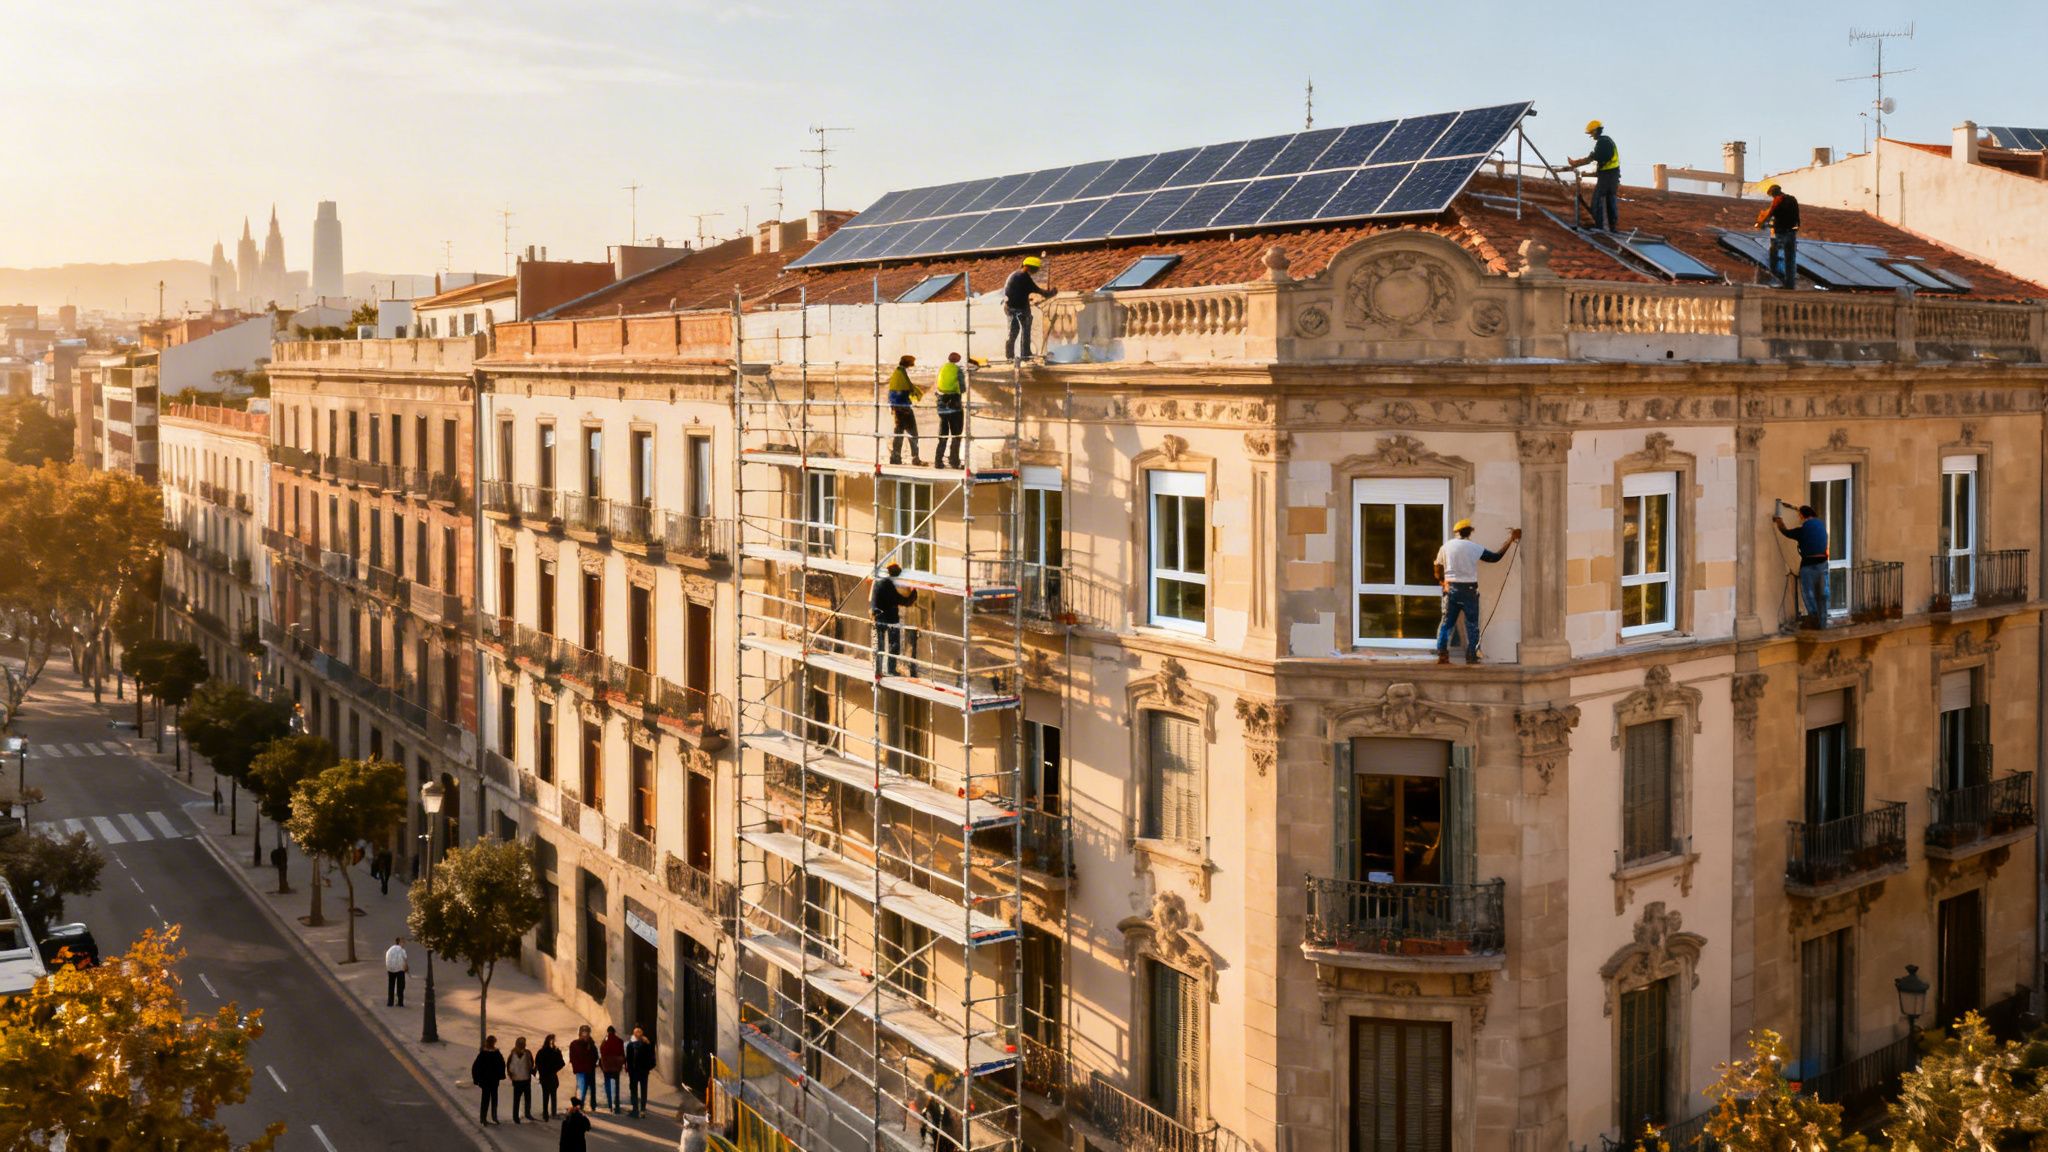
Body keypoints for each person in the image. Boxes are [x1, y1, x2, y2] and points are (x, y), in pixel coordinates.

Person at [1433, 520, 1522, 665]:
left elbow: (1436, 566)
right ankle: (1472, 655)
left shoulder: (1446, 547)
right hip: (1469, 590)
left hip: (1451, 590)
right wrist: (1511, 540)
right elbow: (1495, 557)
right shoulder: (1474, 548)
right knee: (1472, 624)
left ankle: (1442, 654)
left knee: (1446, 624)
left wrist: (1443, 582)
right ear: (1470, 532)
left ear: (1456, 532)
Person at [1775, 504, 1830, 622]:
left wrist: (1779, 522)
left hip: (1808, 564)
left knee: (1808, 592)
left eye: (1799, 516)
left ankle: (1814, 618)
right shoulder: (1821, 525)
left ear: (1802, 516)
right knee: (1822, 592)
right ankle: (1823, 618)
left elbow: (1786, 532)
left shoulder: (1804, 530)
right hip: (1823, 562)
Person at [1566, 120, 1622, 232]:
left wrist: (1577, 163)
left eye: (1591, 133)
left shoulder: (1603, 142)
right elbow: (1603, 161)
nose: (1591, 136)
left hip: (1608, 175)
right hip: (1613, 175)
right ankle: (1612, 228)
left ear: (1596, 131)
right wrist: (1590, 172)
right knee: (1611, 200)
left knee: (1597, 200)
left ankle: (1599, 226)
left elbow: (1597, 157)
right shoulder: (1607, 141)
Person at [1003, 256, 1057, 360]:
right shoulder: (1023, 277)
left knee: (1015, 332)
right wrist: (1051, 293)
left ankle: (1013, 356)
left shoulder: (1015, 275)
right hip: (1016, 309)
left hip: (1012, 307)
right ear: (1028, 267)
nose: (1036, 271)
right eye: (1035, 269)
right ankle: (1023, 354)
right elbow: (1039, 291)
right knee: (1021, 331)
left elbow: (1019, 292)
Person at [871, 561, 918, 676]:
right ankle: (890, 670)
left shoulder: (878, 582)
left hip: (879, 617)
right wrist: (914, 592)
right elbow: (903, 601)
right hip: (889, 619)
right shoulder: (887, 585)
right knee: (893, 645)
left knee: (880, 646)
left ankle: (879, 669)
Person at [1757, 183, 1802, 289]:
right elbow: (1797, 217)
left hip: (1780, 234)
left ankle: (1776, 281)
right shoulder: (1793, 199)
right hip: (1792, 233)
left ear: (1773, 193)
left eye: (1771, 195)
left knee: (1775, 257)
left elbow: (1769, 214)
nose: (1772, 197)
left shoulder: (1778, 200)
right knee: (1790, 260)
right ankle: (1790, 285)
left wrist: (1761, 224)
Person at [885, 354, 924, 466]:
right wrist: (916, 392)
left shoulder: (898, 373)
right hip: (903, 408)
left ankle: (895, 457)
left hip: (896, 408)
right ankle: (915, 458)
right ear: (908, 363)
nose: (913, 364)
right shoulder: (901, 373)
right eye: (912, 362)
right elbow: (908, 388)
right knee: (913, 433)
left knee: (898, 433)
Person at [933, 352, 967, 469]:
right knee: (956, 435)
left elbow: (937, 385)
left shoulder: (942, 368)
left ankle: (938, 461)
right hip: (954, 406)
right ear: (957, 360)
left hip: (941, 405)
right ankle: (954, 461)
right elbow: (963, 389)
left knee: (943, 436)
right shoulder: (958, 370)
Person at [472, 1035, 507, 1126]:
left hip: (487, 1080)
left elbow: (475, 1067)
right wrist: (501, 1075)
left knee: (486, 1099)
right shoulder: (495, 1053)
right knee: (492, 1099)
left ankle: (484, 1118)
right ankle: (492, 1117)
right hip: (492, 1080)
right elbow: (502, 1065)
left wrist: (476, 1079)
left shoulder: (484, 1054)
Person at [624, 1026, 656, 1118]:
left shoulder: (630, 1045)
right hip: (644, 1072)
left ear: (634, 1035)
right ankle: (642, 1110)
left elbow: (628, 1060)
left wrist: (629, 1071)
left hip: (634, 1073)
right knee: (643, 1090)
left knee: (634, 1090)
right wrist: (648, 1068)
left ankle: (635, 1110)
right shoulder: (648, 1045)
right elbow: (652, 1060)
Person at [568, 1024, 599, 1109]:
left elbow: (595, 1056)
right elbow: (572, 1056)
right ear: (580, 1033)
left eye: (587, 1033)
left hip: (590, 1069)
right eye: (583, 1033)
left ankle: (592, 1105)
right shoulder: (575, 1044)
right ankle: (579, 1105)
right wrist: (576, 1065)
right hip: (581, 1070)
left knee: (591, 1088)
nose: (585, 1035)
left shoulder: (591, 1044)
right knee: (581, 1087)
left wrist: (592, 1063)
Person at [537, 1032, 566, 1120]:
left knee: (546, 1095)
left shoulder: (541, 1052)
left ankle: (546, 1113)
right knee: (552, 1095)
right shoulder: (555, 1051)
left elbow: (538, 1063)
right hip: (551, 1076)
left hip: (546, 1076)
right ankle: (552, 1113)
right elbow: (562, 1063)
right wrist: (554, 1069)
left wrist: (542, 1072)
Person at [598, 1024, 626, 1114]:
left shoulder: (605, 1041)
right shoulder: (619, 1041)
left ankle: (610, 1105)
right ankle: (617, 1107)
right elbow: (622, 1054)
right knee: (616, 1088)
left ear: (608, 1032)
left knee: (608, 1086)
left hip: (607, 1067)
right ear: (614, 1032)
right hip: (616, 1067)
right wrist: (623, 1064)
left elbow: (601, 1050)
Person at [507, 1036, 536, 1124]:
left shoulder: (527, 1053)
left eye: (523, 1043)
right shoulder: (513, 1054)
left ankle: (527, 1113)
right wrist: (511, 1075)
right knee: (517, 1099)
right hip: (517, 1080)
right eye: (521, 1043)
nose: (522, 1045)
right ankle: (516, 1117)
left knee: (527, 1098)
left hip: (526, 1079)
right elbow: (508, 1066)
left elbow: (531, 1063)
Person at [384, 937, 408, 1007]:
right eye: (403, 942)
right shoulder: (402, 950)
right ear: (400, 942)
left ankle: (390, 1002)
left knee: (391, 985)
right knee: (400, 985)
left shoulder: (390, 949)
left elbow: (387, 957)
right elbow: (405, 959)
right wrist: (406, 968)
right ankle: (400, 1002)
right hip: (399, 969)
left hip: (390, 969)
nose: (404, 944)